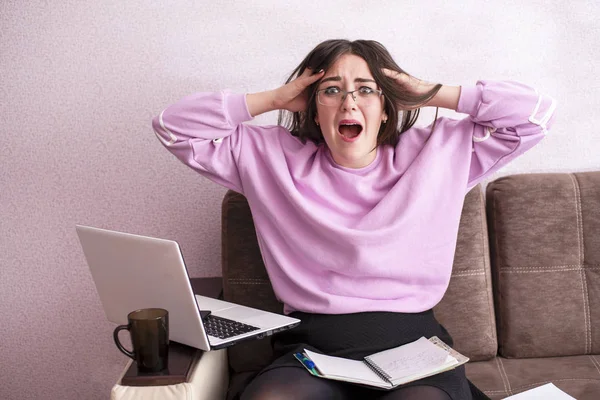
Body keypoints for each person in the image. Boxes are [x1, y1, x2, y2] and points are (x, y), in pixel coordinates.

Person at [152, 39, 556, 400]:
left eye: (366, 90)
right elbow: (172, 127)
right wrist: (272, 99)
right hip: (313, 346)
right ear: (312, 109)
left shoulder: (443, 149)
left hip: (412, 345)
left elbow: (537, 115)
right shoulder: (268, 156)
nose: (349, 103)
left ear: (385, 109)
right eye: (332, 90)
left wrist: (433, 94)